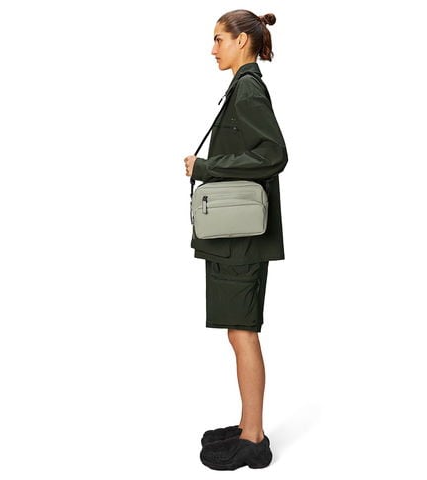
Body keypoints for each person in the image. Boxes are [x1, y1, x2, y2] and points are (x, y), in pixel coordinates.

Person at [184, 9, 287, 471]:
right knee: (237, 331)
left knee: (243, 333)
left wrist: (207, 168)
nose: (213, 49)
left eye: (219, 39)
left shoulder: (247, 88)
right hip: (236, 233)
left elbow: (274, 154)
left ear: (242, 41)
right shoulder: (242, 85)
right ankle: (249, 426)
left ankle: (254, 440)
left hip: (242, 238)